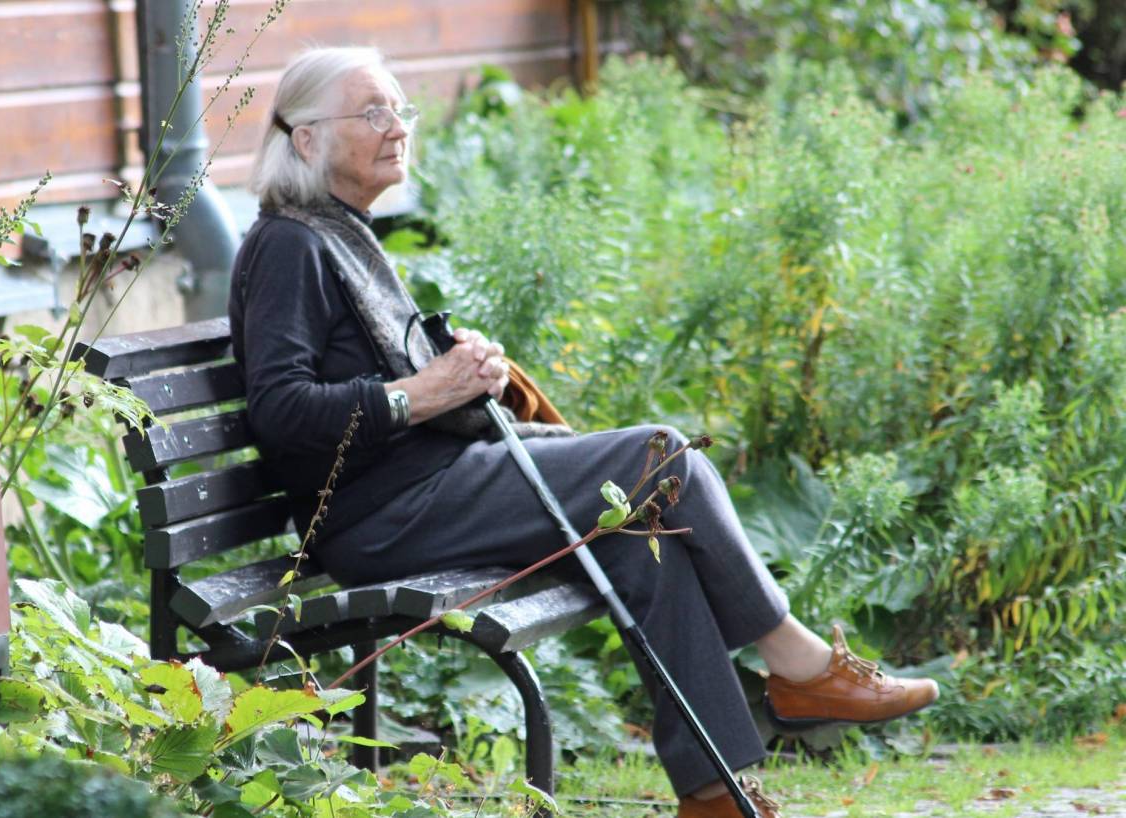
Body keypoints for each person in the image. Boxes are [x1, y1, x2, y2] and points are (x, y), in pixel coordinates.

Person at [227, 46, 939, 818]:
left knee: (641, 536)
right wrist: (419, 393)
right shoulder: (289, 245)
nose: (397, 127)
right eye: (373, 112)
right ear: (305, 139)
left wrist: (463, 371)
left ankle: (715, 797)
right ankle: (799, 666)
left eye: (401, 108)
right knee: (662, 459)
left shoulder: (339, 231)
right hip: (384, 518)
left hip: (432, 485)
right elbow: (282, 410)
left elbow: (381, 379)